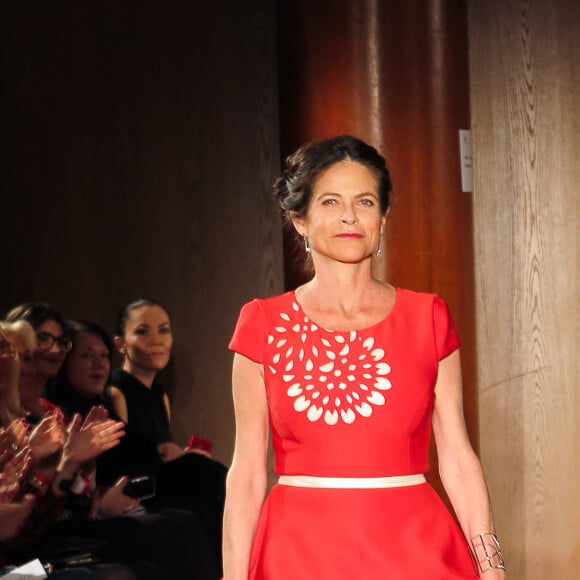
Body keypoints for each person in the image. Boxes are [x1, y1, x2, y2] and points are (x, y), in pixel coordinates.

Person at [223, 135, 506, 579]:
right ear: (299, 218)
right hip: (297, 552)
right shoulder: (263, 323)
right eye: (331, 202)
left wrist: (492, 568)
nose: (350, 216)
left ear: (384, 217)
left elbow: (457, 456)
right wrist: (233, 576)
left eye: (366, 202)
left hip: (415, 548)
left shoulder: (427, 317)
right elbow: (246, 472)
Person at [105, 300, 226, 571]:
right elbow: (125, 457)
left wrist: (181, 455)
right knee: (205, 475)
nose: (156, 341)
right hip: (136, 488)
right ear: (120, 343)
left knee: (210, 479)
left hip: (160, 482)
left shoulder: (160, 394)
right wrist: (180, 459)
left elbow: (162, 449)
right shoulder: (116, 389)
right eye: (142, 332)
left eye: (164, 331)